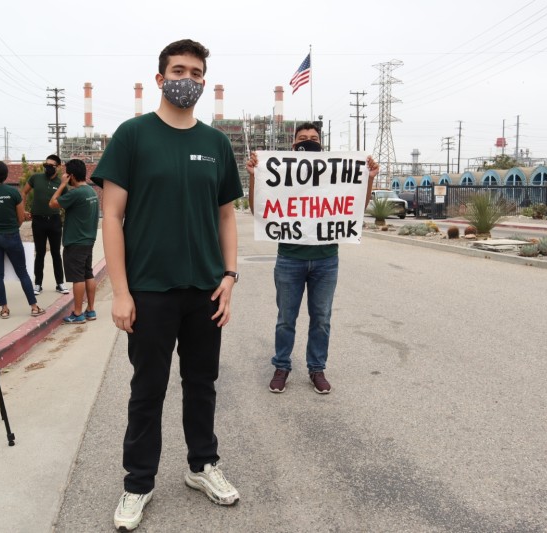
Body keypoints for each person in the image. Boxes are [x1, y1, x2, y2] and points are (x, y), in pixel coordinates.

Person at [92, 38, 243, 531]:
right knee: (147, 389)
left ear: (204, 80)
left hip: (204, 290)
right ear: (160, 78)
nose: (189, 78)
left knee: (202, 384)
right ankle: (138, 483)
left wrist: (229, 275)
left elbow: (226, 215)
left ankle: (202, 467)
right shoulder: (133, 136)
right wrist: (121, 291)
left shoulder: (216, 143)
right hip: (150, 291)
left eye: (197, 72)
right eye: (179, 69)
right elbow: (111, 217)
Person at [247, 123, 379, 394]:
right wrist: (254, 176)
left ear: (322, 144)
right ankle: (281, 365)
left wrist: (369, 178)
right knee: (286, 318)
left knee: (321, 318)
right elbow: (258, 209)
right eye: (303, 138)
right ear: (293, 145)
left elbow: (355, 210)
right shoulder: (282, 173)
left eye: (314, 139)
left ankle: (316, 369)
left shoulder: (334, 174)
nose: (309, 142)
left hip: (326, 260)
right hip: (290, 259)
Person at [0, 161, 45, 319]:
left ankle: (4, 309)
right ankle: (34, 307)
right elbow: (21, 218)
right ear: (5, 175)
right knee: (22, 272)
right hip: (11, 235)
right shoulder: (12, 192)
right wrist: (13, 225)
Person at [49, 159, 98, 324]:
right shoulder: (91, 191)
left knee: (78, 278)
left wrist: (62, 185)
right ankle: (90, 310)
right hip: (88, 239)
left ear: (71, 176)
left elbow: (52, 203)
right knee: (88, 274)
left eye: (66, 174)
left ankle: (77, 313)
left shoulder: (76, 193)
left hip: (75, 241)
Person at [21, 154, 69, 296]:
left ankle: (60, 283)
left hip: (54, 220)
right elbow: (24, 192)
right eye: (45, 165)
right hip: (38, 221)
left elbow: (66, 202)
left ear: (58, 167)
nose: (47, 168)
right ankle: (37, 284)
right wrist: (23, 210)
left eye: (51, 165)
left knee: (56, 253)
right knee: (40, 253)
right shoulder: (36, 178)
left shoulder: (61, 184)